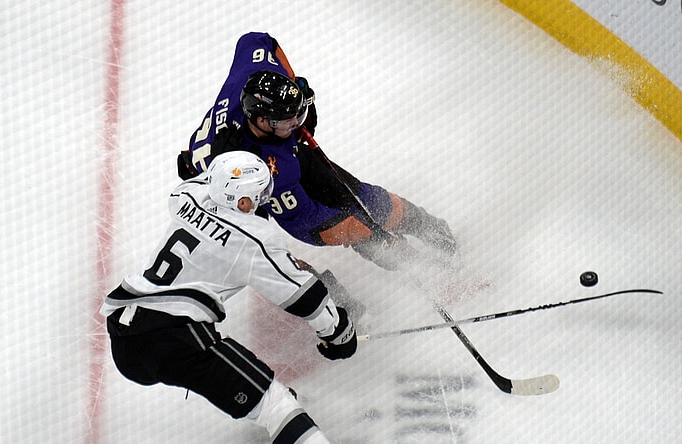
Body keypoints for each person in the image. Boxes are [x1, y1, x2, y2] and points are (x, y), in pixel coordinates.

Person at [101, 151, 357, 443]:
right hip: (171, 336)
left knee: (262, 397)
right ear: (243, 202)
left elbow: (201, 181)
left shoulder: (188, 196)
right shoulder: (253, 238)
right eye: (260, 194)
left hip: (124, 331)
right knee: (276, 405)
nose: (264, 200)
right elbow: (304, 295)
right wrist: (338, 332)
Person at [177, 32, 456, 271]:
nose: (296, 125)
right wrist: (364, 235)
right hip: (229, 197)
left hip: (246, 160)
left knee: (361, 198)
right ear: (261, 120)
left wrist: (291, 81)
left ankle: (428, 227)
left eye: (298, 116)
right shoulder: (265, 167)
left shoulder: (252, 76)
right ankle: (340, 303)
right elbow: (308, 222)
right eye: (287, 122)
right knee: (269, 258)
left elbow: (256, 40)